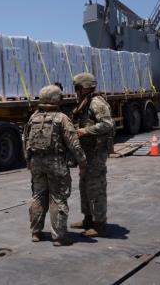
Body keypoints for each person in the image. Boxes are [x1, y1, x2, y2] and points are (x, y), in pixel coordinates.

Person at [24, 85, 87, 246]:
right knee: (58, 197)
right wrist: (82, 162)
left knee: (38, 196)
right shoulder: (61, 118)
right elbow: (73, 143)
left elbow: (26, 141)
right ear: (55, 99)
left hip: (36, 163)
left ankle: (36, 232)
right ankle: (59, 236)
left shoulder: (33, 117)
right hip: (56, 163)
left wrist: (28, 161)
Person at [69, 73, 115, 237]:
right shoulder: (84, 102)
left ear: (85, 87)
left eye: (77, 87)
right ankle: (88, 219)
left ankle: (100, 224)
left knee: (96, 187)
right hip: (87, 152)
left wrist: (85, 130)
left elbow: (108, 124)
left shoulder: (96, 103)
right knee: (85, 186)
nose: (76, 91)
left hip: (96, 152)